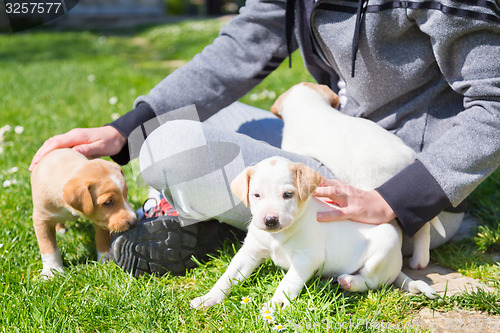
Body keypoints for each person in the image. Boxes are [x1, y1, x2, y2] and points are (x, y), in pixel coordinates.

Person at [30, 0, 500, 276]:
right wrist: (122, 130)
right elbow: (242, 46)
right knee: (164, 126)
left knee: (170, 147)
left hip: (394, 183)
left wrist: (396, 199)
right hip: (325, 144)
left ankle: (206, 219)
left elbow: (494, 105)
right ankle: (215, 216)